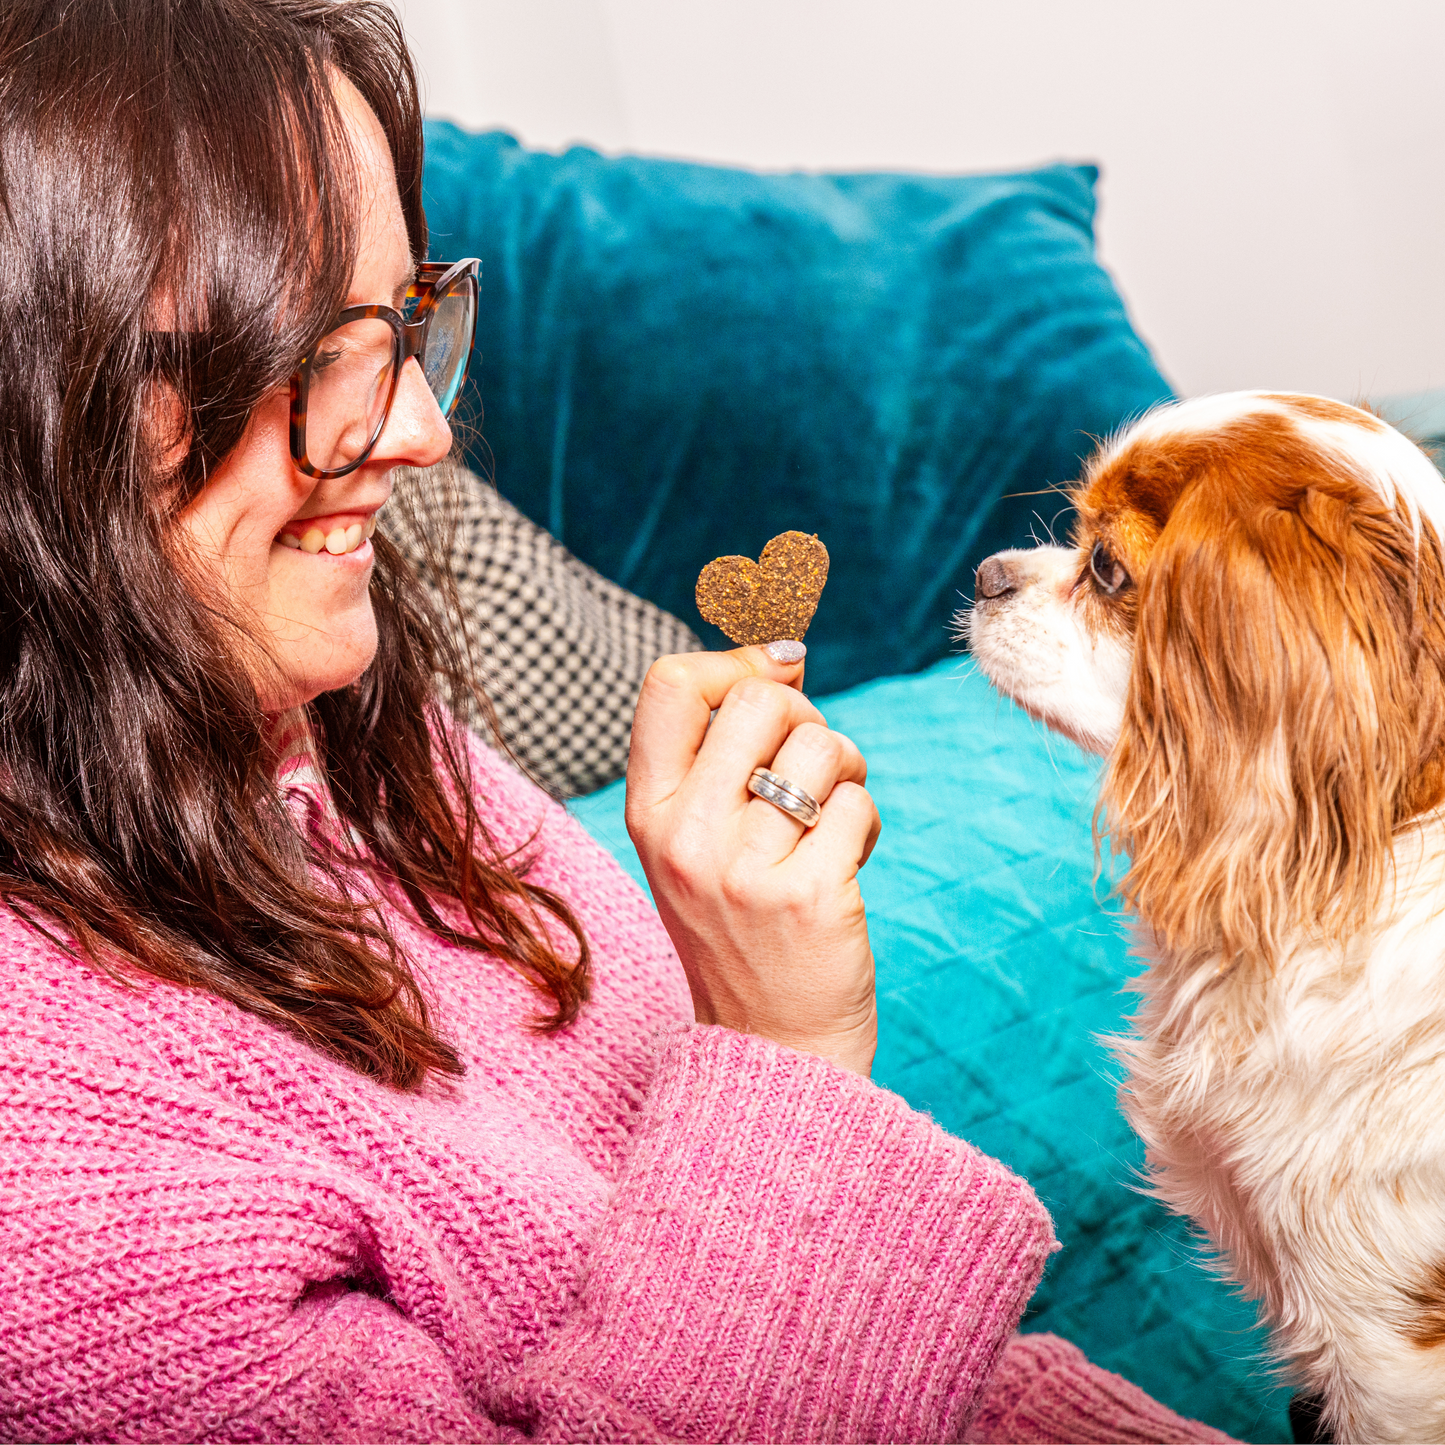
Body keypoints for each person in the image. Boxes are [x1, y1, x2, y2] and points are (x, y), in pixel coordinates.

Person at [0, 2, 1235, 1441]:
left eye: (405, 323)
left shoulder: (350, 740)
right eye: (307, 352)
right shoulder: (46, 1163)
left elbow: (951, 1376)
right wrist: (782, 1062)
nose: (420, 432)